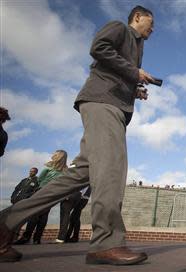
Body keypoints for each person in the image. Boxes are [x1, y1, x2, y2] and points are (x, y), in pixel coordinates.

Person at [0, 5, 156, 265]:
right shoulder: (120, 28)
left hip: (110, 104)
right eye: (150, 22)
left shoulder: (138, 45)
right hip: (103, 105)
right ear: (137, 17)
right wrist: (133, 72)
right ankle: (106, 243)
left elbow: (113, 69)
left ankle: (6, 222)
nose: (153, 28)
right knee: (111, 170)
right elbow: (99, 48)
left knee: (80, 173)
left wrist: (134, 89)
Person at [14, 150, 68, 245]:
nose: (52, 155)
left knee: (34, 214)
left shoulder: (49, 167)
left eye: (54, 154)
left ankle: (26, 237)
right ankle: (37, 239)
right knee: (44, 215)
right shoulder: (65, 170)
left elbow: (40, 179)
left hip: (42, 191)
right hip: (53, 194)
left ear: (57, 156)